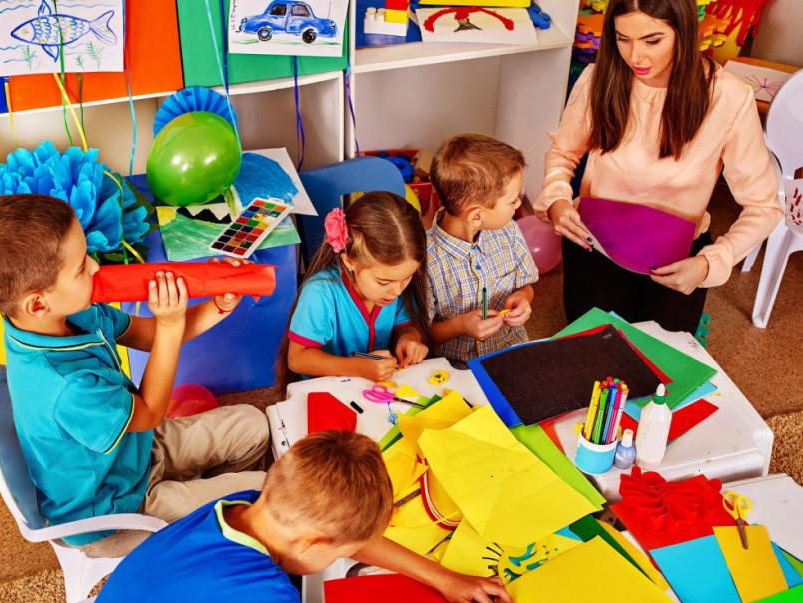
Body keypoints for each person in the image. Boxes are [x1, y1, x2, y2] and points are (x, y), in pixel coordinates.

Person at [0, 194, 269, 558]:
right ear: (38, 303)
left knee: (254, 425)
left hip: (135, 451)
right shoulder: (67, 388)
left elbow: (148, 335)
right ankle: (214, 536)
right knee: (263, 491)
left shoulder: (71, 313)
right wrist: (170, 326)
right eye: (80, 267)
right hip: (117, 513)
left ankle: (211, 514)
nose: (94, 267)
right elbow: (151, 411)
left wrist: (217, 302)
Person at [74, 430, 513, 603]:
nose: (348, 555)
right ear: (312, 544)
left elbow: (350, 536)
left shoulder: (247, 505)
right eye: (341, 552)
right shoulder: (262, 602)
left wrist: (443, 577)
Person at [533, 0, 782, 334]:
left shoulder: (728, 97)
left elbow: (764, 207)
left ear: (683, 32)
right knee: (597, 345)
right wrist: (557, 201)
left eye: (652, 41)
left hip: (679, 255)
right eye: (623, 39)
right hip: (596, 242)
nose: (635, 57)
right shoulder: (598, 78)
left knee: (660, 354)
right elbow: (563, 153)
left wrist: (710, 262)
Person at [278, 191, 431, 386]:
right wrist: (360, 367)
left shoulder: (395, 281)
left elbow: (406, 325)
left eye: (407, 278)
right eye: (383, 282)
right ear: (349, 261)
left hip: (374, 389)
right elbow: (297, 359)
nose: (397, 291)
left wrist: (409, 338)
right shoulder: (320, 292)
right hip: (327, 390)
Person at [426, 134, 538, 364]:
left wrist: (523, 297)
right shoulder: (424, 259)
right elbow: (418, 334)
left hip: (509, 349)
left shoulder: (509, 231)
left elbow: (526, 285)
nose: (519, 204)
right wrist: (460, 326)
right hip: (455, 366)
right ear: (476, 216)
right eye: (513, 200)